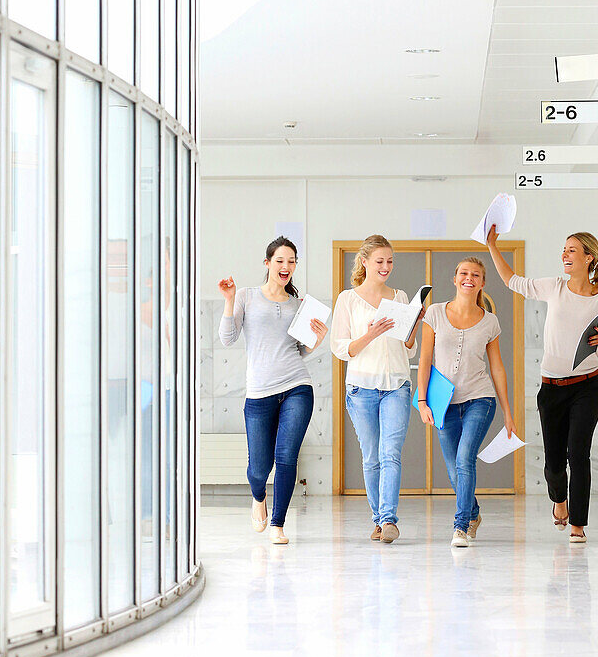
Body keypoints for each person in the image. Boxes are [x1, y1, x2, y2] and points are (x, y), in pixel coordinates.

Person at [486, 228, 598, 544]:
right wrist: (493, 246)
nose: (565, 254)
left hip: (587, 387)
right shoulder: (554, 288)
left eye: (572, 250)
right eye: (564, 249)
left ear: (588, 257)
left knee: (579, 453)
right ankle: (559, 500)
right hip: (551, 389)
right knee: (553, 463)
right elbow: (513, 282)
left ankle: (578, 524)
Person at [218, 236, 328, 545]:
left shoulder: (299, 305)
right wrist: (228, 301)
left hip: (297, 386)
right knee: (259, 468)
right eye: (280, 260)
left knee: (286, 456)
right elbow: (227, 339)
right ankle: (258, 496)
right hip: (259, 392)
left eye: (291, 261)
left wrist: (315, 342)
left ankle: (278, 524)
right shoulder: (247, 296)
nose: (286, 266)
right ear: (268, 263)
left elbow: (299, 351)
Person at [417, 256, 516, 547]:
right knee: (452, 468)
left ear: (482, 283)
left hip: (480, 399)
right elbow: (424, 361)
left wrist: (508, 412)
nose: (468, 278)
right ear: (455, 278)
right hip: (442, 403)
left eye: (475, 274)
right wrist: (422, 401)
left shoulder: (490, 322)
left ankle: (460, 526)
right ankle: (473, 513)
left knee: (464, 459)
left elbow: (497, 368)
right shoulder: (434, 313)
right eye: (463, 273)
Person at [330, 234, 423, 543]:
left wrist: (414, 325)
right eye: (380, 261)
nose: (386, 267)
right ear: (365, 262)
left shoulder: (400, 297)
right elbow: (341, 348)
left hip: (397, 383)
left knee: (390, 452)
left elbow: (408, 349)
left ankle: (388, 520)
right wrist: (370, 334)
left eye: (390, 261)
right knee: (371, 456)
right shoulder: (348, 299)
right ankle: (378, 519)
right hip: (361, 388)